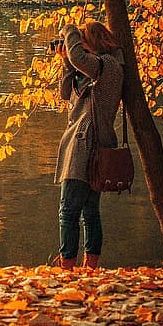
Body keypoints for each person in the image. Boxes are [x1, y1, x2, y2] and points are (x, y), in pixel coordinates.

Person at [51, 20, 124, 270]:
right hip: (83, 144)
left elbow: (79, 58)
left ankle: (67, 267)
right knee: (88, 211)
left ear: (92, 42)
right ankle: (88, 267)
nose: (77, 46)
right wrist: (65, 63)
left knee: (68, 211)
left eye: (81, 41)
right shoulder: (91, 71)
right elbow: (64, 93)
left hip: (88, 145)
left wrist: (69, 29)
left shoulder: (109, 66)